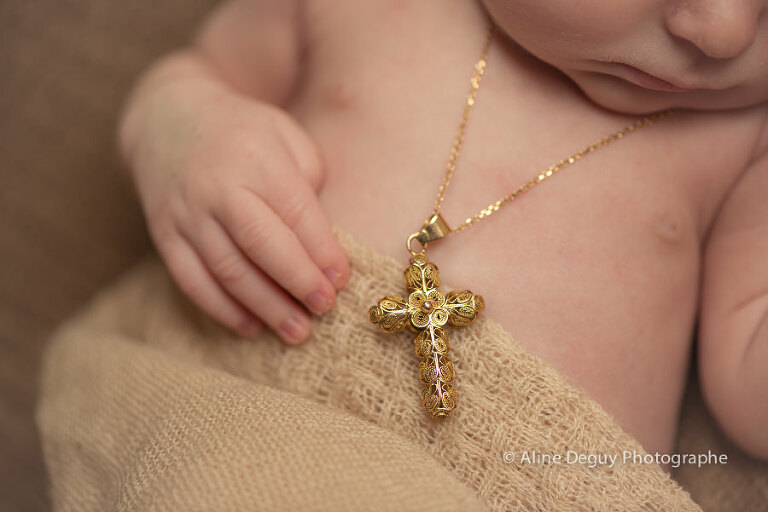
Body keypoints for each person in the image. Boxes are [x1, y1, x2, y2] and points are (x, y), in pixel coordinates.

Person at [116, 0, 768, 467]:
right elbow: (199, 74)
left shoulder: (747, 138)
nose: (723, 29)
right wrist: (178, 125)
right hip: (239, 430)